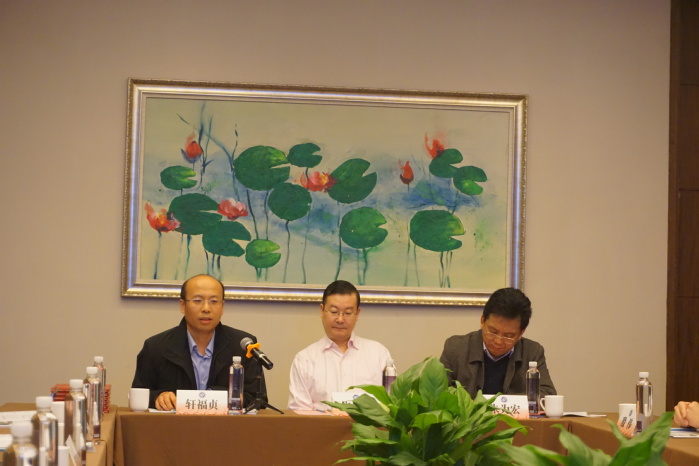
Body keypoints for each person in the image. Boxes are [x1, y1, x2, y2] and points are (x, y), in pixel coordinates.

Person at [132, 274, 266, 410]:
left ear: (222, 306)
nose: (206, 308)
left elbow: (258, 399)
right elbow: (138, 395)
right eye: (197, 300)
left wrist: (214, 395)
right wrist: (158, 397)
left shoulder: (243, 345)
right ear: (183, 305)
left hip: (225, 423)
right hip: (175, 423)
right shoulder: (156, 347)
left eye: (214, 301)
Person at [288, 280, 393, 412]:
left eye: (347, 313)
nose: (340, 319)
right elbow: (298, 412)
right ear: (322, 311)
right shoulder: (304, 359)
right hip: (323, 426)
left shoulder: (378, 354)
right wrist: (327, 418)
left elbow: (390, 405)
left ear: (357, 314)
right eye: (334, 311)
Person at [439, 287, 556, 399]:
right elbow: (439, 393)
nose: (498, 341)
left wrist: (503, 402)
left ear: (521, 333)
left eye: (508, 336)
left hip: (513, 414)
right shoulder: (455, 348)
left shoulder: (532, 352)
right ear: (482, 321)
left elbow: (547, 394)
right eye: (493, 332)